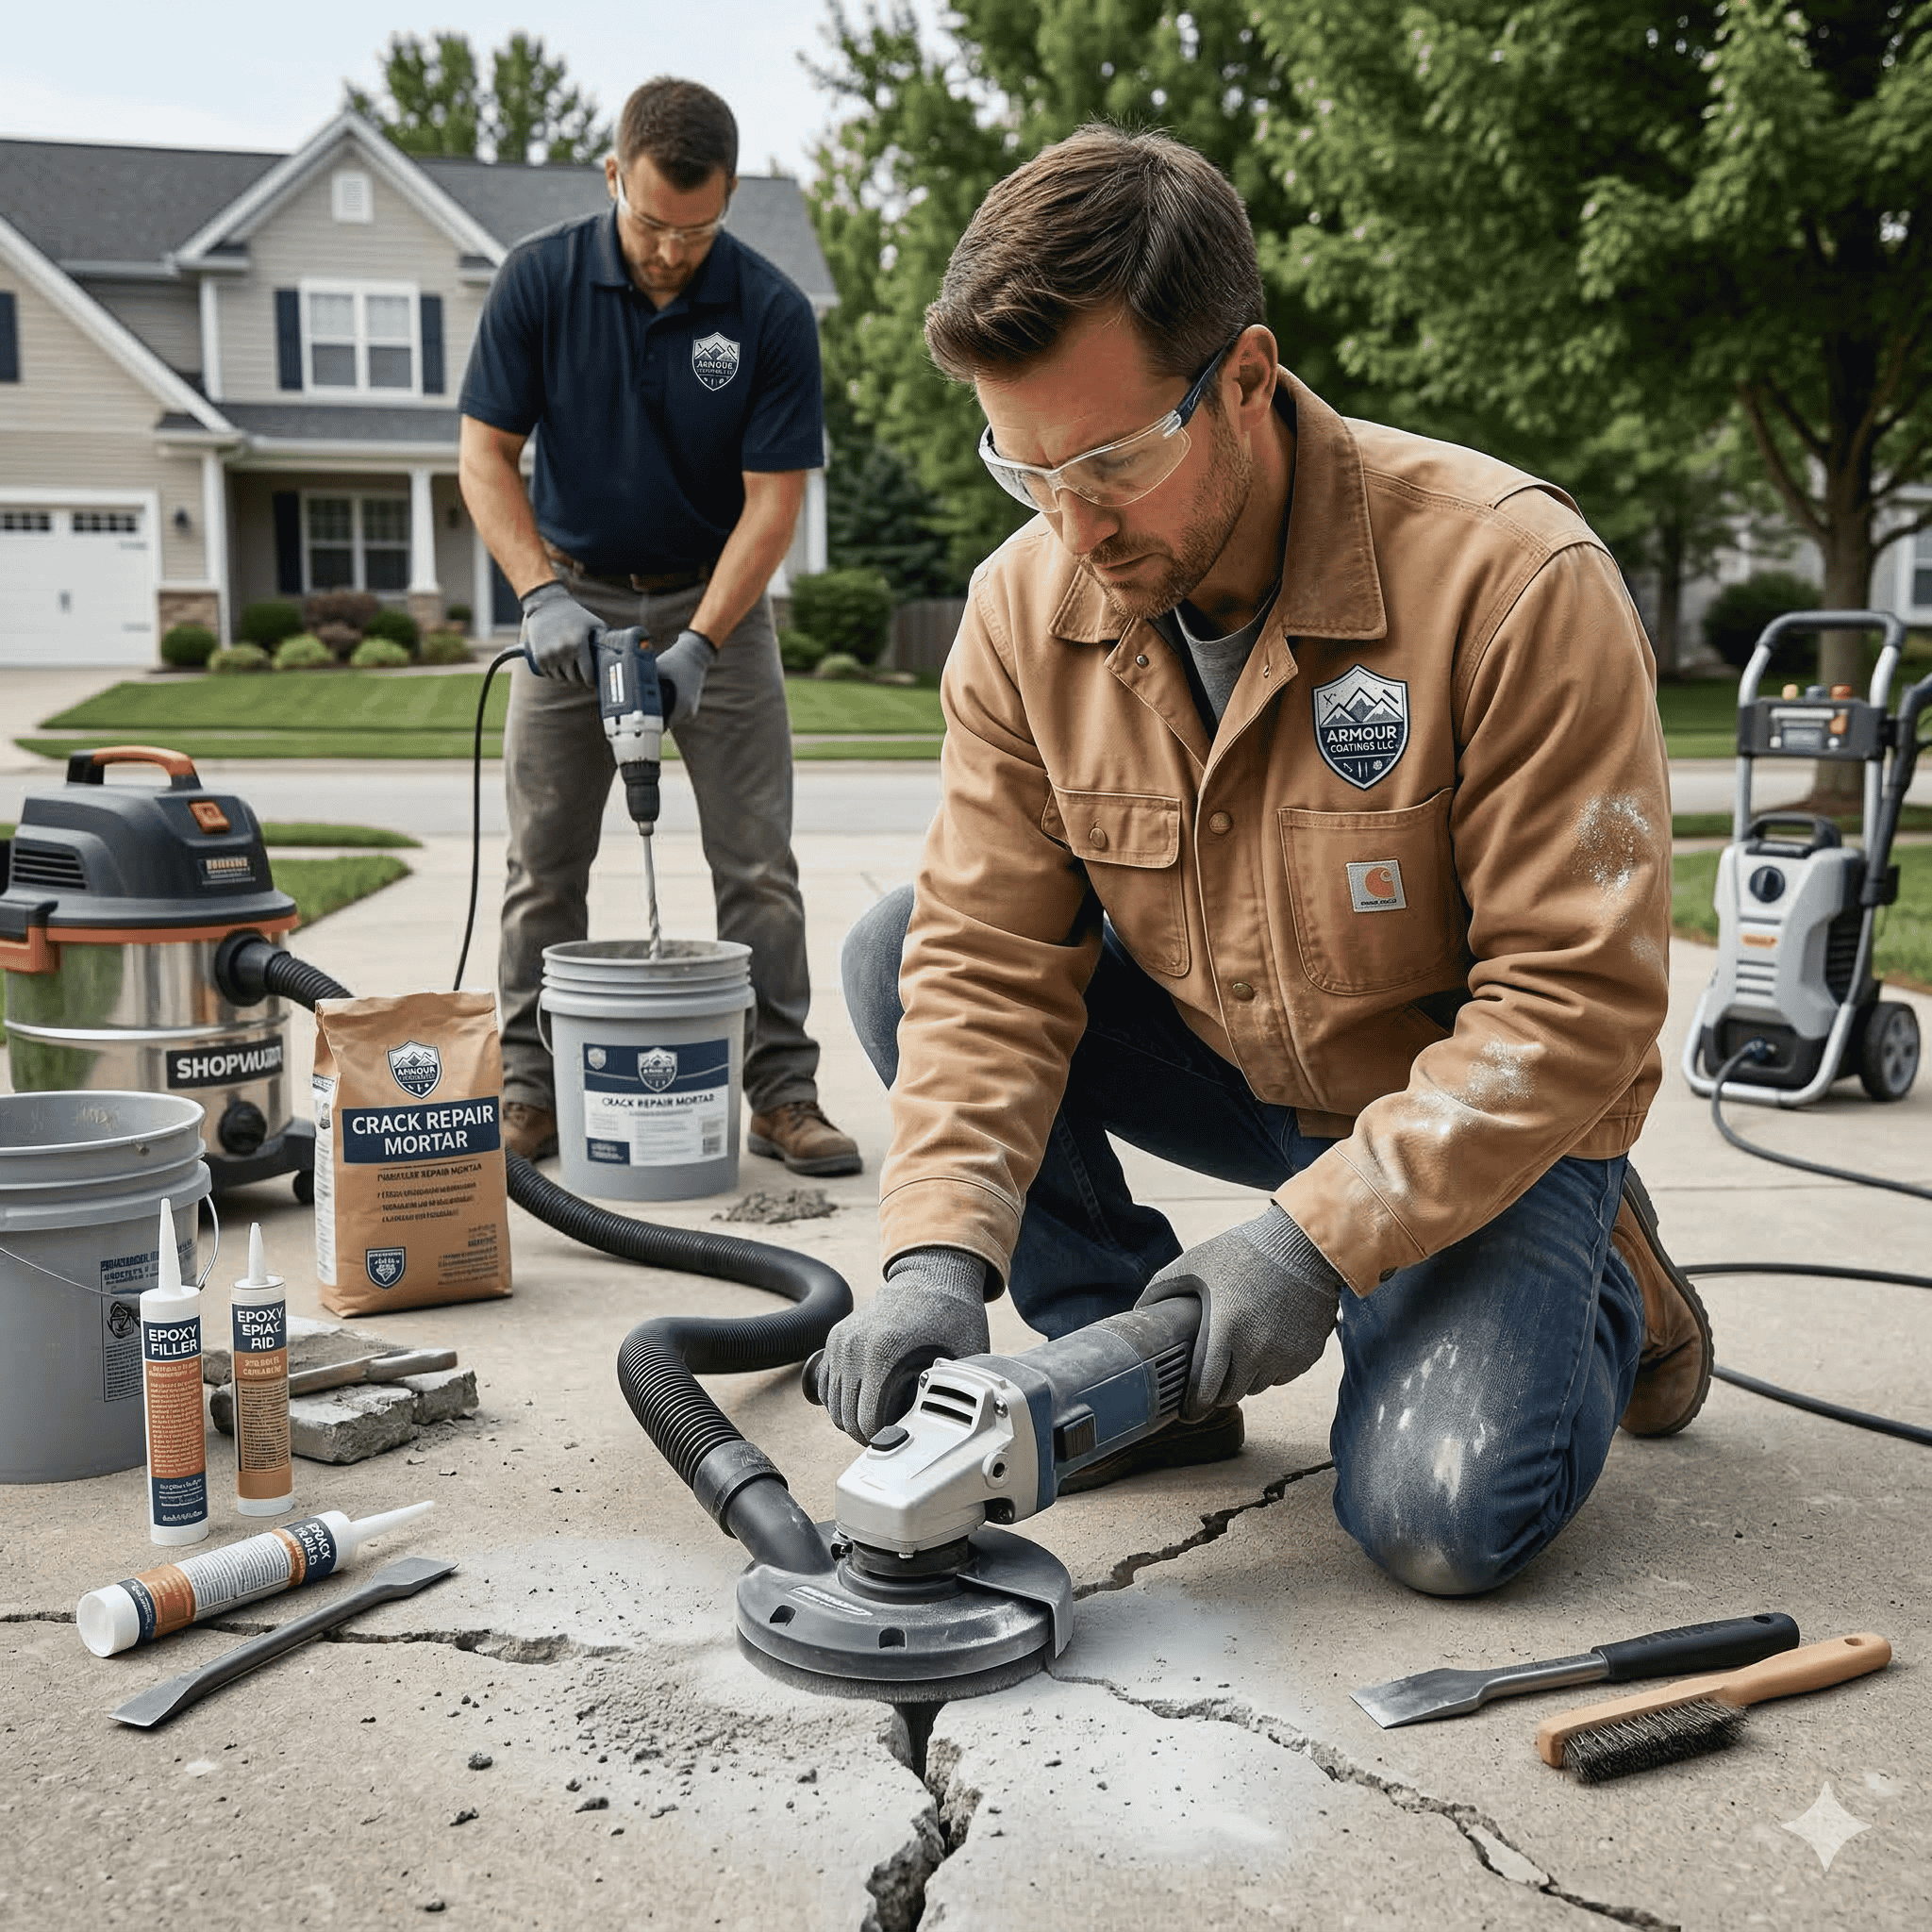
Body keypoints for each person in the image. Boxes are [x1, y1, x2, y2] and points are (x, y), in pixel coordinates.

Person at [822, 125, 1713, 1597]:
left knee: (1438, 1519)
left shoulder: (1512, 580)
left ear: (1244, 376)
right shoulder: (1023, 605)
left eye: (1110, 460)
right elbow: (984, 960)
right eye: (1023, 468)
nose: (1073, 521)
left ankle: (1606, 1260)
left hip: (1465, 1105)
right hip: (1227, 1060)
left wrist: (1317, 1251)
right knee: (895, 948)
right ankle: (1141, 1370)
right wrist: (934, 1260)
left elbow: (1577, 1002)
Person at [458, 75, 860, 1177]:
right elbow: (484, 454)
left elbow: (774, 498)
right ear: (611, 178)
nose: (673, 249)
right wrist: (538, 592)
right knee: (543, 863)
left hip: (712, 596)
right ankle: (531, 1092)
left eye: (698, 227)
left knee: (758, 866)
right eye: (651, 223)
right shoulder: (539, 281)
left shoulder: (767, 308)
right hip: (570, 599)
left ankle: (782, 1092)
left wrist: (701, 641)